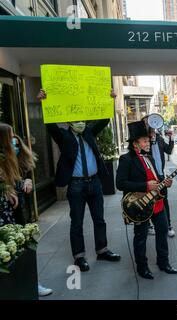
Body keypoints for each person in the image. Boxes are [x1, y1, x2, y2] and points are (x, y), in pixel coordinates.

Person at [37, 89, 120, 272]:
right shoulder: (63, 137)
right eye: (76, 121)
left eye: (82, 120)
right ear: (69, 122)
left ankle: (102, 250)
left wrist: (111, 100)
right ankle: (79, 256)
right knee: (77, 222)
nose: (80, 123)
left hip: (95, 182)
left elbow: (105, 119)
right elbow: (50, 124)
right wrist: (45, 102)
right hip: (76, 185)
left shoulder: (90, 132)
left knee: (100, 219)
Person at [116, 121, 177, 279]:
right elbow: (120, 183)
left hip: (157, 203)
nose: (148, 142)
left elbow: (156, 178)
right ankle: (142, 267)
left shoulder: (149, 157)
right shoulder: (126, 159)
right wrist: (144, 185)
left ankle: (163, 262)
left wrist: (165, 183)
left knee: (162, 231)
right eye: (144, 140)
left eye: (148, 140)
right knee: (141, 236)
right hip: (140, 205)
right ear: (135, 143)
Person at [11, 133, 53, 296]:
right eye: (11, 144)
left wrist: (25, 182)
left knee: (26, 248)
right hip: (7, 215)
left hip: (20, 212)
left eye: (17, 144)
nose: (15, 147)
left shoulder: (19, 163)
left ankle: (32, 283)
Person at [141, 116, 175, 237]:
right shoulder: (144, 140)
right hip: (149, 176)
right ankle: (150, 225)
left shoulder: (159, 138)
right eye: (147, 123)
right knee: (149, 201)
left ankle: (168, 225)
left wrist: (171, 138)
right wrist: (150, 138)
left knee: (164, 200)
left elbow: (169, 150)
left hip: (160, 175)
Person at [0, 123, 21, 226]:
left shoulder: (7, 158)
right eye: (11, 136)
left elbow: (14, 182)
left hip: (7, 209)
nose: (14, 139)